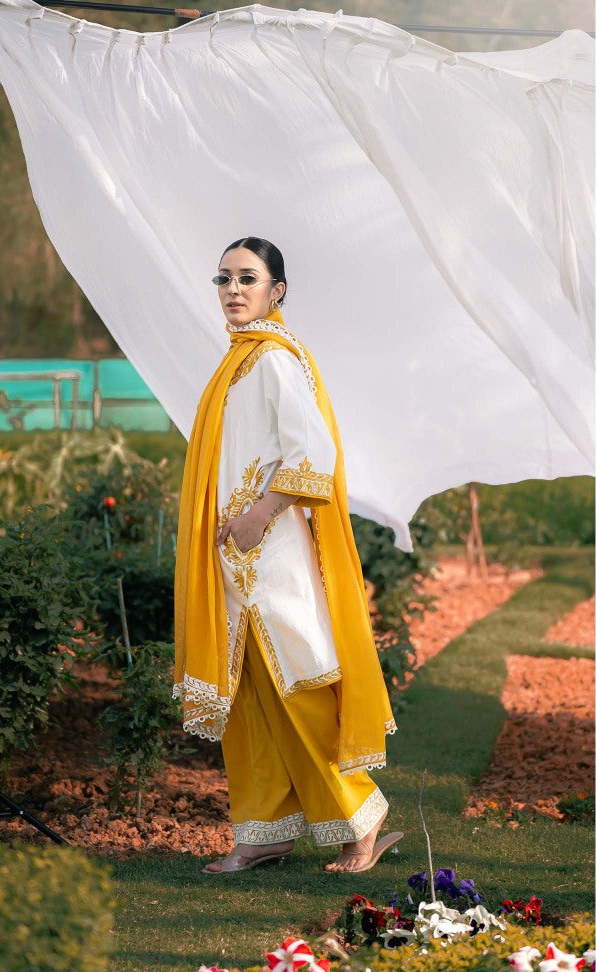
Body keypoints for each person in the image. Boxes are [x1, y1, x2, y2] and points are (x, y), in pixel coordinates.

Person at [173, 236, 400, 874]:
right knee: (248, 692)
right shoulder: (238, 362)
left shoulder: (273, 359)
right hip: (235, 554)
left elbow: (314, 453)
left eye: (247, 278)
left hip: (270, 550)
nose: (232, 289)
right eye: (224, 278)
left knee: (298, 683)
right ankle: (263, 832)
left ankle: (361, 818)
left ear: (277, 291)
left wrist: (258, 515)